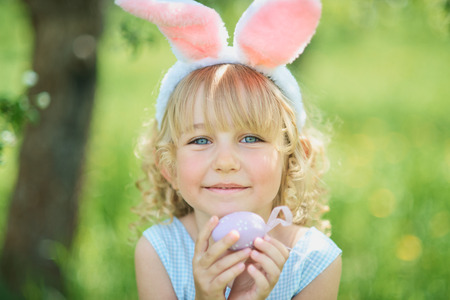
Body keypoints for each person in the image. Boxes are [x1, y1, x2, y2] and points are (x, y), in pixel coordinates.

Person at [117, 0, 342, 299]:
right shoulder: (159, 252)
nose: (225, 162)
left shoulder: (312, 260)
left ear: (291, 158)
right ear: (169, 167)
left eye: (250, 138)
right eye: (200, 140)